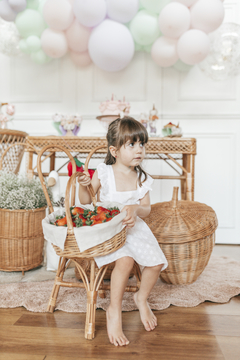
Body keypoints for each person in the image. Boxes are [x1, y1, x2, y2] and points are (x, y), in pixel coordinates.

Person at [78, 116, 168, 347]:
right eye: (132, 144)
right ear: (114, 150)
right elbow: (86, 201)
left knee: (156, 263)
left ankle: (141, 297)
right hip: (109, 230)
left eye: (142, 144)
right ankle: (114, 310)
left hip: (135, 229)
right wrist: (83, 185)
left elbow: (147, 209)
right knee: (126, 260)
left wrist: (136, 208)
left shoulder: (142, 178)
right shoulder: (104, 172)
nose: (139, 150)